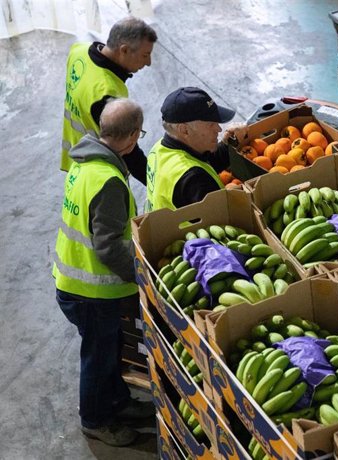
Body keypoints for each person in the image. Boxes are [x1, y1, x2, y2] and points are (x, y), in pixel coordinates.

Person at [54, 98, 154, 447]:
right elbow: (110, 246)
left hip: (73, 279)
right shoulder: (108, 179)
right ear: (130, 138)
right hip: (92, 290)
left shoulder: (85, 161)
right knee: (98, 356)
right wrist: (143, 278)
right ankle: (95, 420)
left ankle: (117, 401)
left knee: (109, 349)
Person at [62, 16, 157, 185]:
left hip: (76, 159)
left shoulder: (79, 51)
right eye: (145, 55)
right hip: (99, 172)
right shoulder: (106, 94)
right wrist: (158, 185)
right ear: (124, 50)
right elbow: (130, 153)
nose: (149, 63)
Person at [145, 86, 238, 212]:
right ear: (184, 130)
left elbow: (204, 163)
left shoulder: (158, 149)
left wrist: (228, 145)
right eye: (211, 124)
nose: (219, 129)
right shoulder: (194, 180)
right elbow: (226, 217)